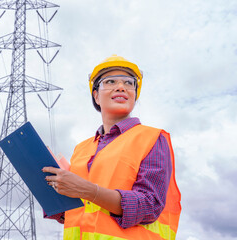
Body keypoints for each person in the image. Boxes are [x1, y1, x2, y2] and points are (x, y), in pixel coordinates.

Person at [42, 55, 181, 240]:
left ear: (134, 95)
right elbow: (81, 212)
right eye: (110, 81)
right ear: (96, 95)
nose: (121, 86)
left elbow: (149, 206)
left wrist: (88, 190)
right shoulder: (81, 149)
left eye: (129, 83)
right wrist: (55, 194)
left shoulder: (152, 138)